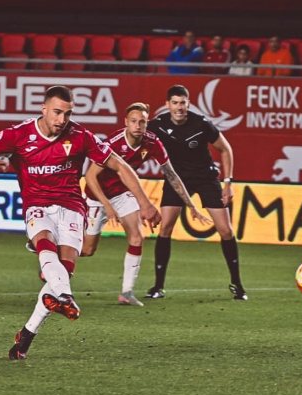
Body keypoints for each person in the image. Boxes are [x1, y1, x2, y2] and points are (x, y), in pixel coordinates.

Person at [0, 86, 161, 360]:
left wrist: (145, 202)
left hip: (72, 207)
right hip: (37, 205)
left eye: (68, 114)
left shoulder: (80, 136)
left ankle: (27, 334)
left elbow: (120, 166)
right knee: (44, 243)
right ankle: (66, 296)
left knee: (63, 271)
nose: (62, 120)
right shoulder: (18, 134)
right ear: (44, 109)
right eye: (57, 112)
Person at [82, 102, 210, 307]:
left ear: (147, 122)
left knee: (137, 237)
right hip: (97, 197)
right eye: (133, 121)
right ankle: (54, 253)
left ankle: (126, 292)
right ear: (126, 122)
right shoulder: (113, 143)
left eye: (142, 122)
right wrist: (107, 205)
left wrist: (191, 205)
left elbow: (172, 175)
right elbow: (90, 177)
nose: (138, 126)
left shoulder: (152, 143)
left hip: (123, 193)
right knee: (87, 250)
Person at [146, 85, 247, 301]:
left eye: (182, 103)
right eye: (175, 103)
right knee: (165, 227)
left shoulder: (201, 124)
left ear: (188, 104)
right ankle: (158, 287)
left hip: (205, 178)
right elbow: (138, 142)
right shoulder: (157, 125)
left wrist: (228, 182)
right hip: (176, 180)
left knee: (225, 230)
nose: (179, 107)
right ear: (167, 105)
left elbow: (225, 149)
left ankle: (237, 284)